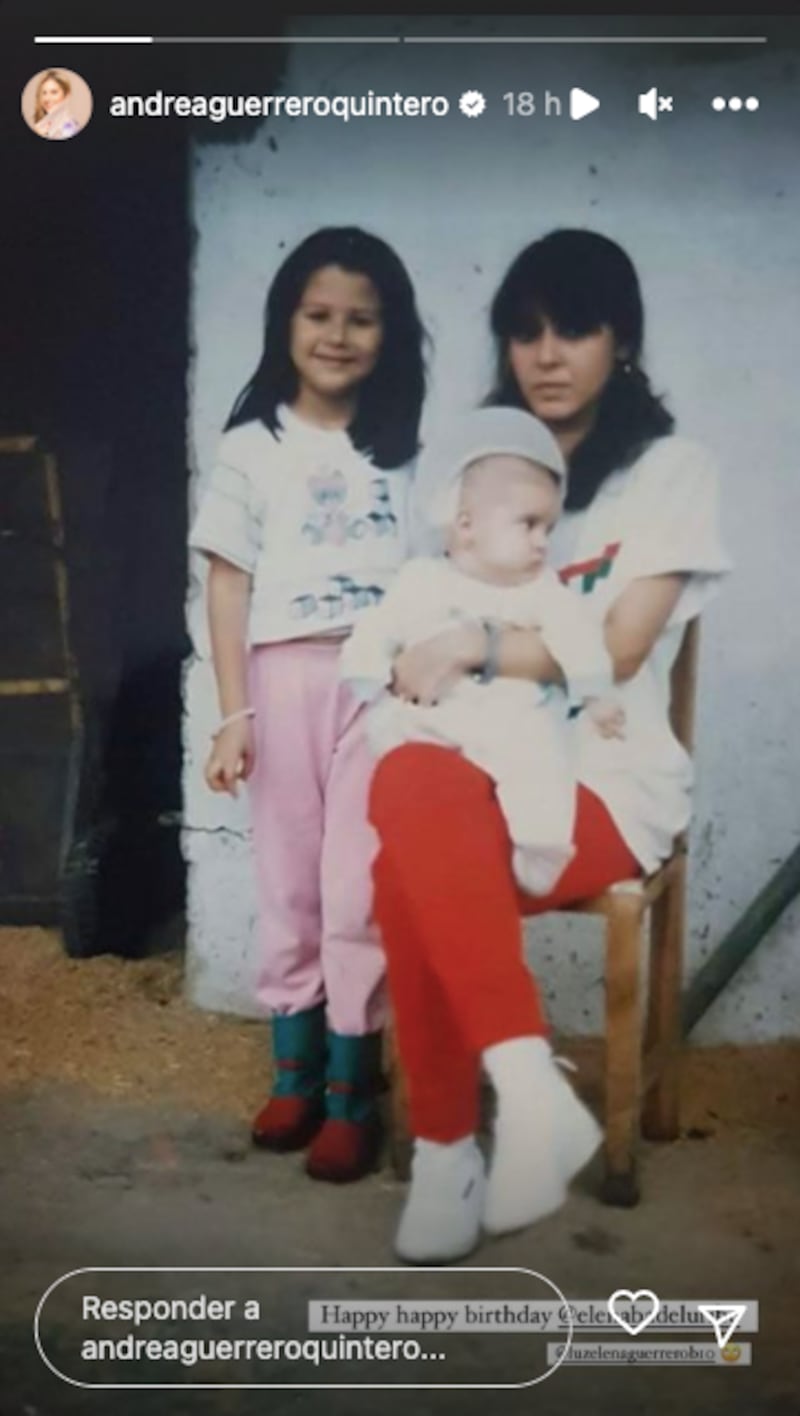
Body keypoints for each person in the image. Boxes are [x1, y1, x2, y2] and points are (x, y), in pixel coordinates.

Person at [366, 228, 732, 1263]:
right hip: (467, 766)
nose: (546, 353)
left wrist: (477, 643)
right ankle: (522, 1099)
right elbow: (410, 630)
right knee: (411, 785)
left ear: (621, 339)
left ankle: (450, 1152)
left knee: (406, 862)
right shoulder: (481, 475)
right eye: (522, 331)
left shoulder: (669, 471)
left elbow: (614, 648)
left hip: (606, 783)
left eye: (573, 327)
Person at [189, 227, 426, 1183]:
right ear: (286, 321)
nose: (338, 335)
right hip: (281, 683)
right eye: (319, 315)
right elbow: (227, 583)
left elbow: (432, 578)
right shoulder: (253, 447)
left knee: (356, 889)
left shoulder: (406, 448)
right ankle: (293, 1077)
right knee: (290, 881)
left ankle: (351, 1098)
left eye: (361, 319)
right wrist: (234, 714)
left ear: (390, 332)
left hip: (377, 686)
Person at [341, 406, 625, 898]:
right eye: (529, 524)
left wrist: (595, 692)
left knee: (539, 763)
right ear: (466, 525)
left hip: (509, 718)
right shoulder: (421, 579)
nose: (542, 543)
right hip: (436, 717)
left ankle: (542, 843)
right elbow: (377, 628)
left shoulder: (543, 590)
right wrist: (372, 672)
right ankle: (417, 822)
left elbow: (577, 637)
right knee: (391, 734)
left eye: (549, 529)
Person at [32, 71, 81, 139]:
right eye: (44, 93)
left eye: (54, 92)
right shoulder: (41, 126)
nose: (47, 98)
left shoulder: (70, 129)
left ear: (67, 95)